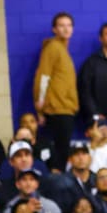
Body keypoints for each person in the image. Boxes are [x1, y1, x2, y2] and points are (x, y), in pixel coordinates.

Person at [32, 12, 79, 171]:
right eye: (61, 25)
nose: (66, 29)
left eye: (69, 25)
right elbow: (43, 76)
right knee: (60, 151)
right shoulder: (53, 47)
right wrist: (40, 107)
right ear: (54, 29)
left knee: (63, 150)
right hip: (57, 108)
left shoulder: (64, 51)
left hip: (67, 108)